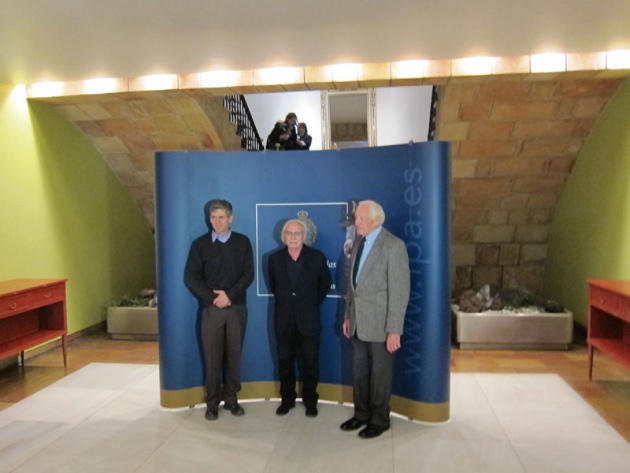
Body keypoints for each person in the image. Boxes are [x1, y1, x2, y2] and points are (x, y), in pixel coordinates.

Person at [339, 200, 410, 439]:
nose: (355, 222)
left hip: (382, 326)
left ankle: (380, 420)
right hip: (358, 322)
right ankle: (361, 415)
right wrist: (348, 315)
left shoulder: (393, 246)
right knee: (359, 373)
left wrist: (394, 330)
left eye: (360, 219)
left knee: (380, 376)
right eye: (356, 217)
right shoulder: (359, 242)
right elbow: (353, 287)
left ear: (376, 221)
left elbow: (399, 292)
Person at [184, 199, 254, 421]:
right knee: (212, 358)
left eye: (221, 217)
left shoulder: (243, 242)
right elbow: (191, 277)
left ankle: (231, 400)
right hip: (212, 309)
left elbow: (248, 274)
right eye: (213, 217)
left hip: (236, 308)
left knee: (234, 355)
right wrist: (214, 298)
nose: (216, 221)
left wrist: (229, 295)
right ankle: (212, 403)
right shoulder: (200, 245)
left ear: (230, 218)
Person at [268, 219, 331, 417]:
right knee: (284, 363)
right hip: (283, 320)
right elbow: (274, 287)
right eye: (289, 233)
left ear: (304, 236)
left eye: (297, 234)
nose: (293, 237)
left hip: (309, 320)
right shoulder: (274, 259)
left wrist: (308, 304)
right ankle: (287, 400)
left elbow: (325, 285)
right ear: (284, 236)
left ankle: (310, 401)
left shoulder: (317, 257)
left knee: (310, 364)